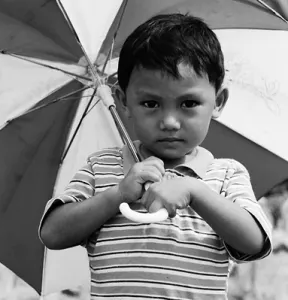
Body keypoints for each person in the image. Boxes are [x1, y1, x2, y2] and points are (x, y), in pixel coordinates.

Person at [39, 13, 272, 300]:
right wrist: (118, 194)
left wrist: (195, 191)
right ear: (124, 101)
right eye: (151, 103)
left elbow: (254, 242)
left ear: (218, 102)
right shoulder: (101, 168)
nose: (170, 122)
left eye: (189, 103)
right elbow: (53, 233)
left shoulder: (224, 175)